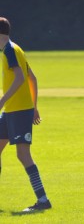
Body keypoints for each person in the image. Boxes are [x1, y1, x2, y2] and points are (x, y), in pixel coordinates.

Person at [0, 17, 51, 212]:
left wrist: (3, 100)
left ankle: (43, 200)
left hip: (18, 110)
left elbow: (21, 78)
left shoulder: (10, 51)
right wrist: (35, 106)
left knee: (23, 155)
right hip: (13, 110)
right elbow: (33, 78)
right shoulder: (15, 48)